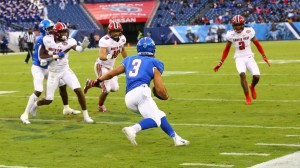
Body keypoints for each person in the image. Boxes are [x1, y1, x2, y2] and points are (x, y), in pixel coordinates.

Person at [95, 37, 190, 146]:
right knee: (156, 120)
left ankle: (176, 138)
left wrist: (99, 79)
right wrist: (165, 96)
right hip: (141, 93)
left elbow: (112, 73)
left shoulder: (129, 59)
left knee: (159, 114)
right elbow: (159, 88)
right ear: (153, 49)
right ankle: (132, 129)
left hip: (129, 98)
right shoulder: (155, 62)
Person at [29, 22, 93, 123]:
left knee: (78, 90)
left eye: (65, 31)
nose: (64, 34)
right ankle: (35, 105)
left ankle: (86, 116)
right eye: (62, 32)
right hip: (53, 72)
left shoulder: (70, 41)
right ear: (56, 33)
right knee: (48, 100)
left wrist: (83, 47)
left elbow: (78, 49)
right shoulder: (47, 40)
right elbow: (41, 56)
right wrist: (55, 56)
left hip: (65, 70)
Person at [20, 19, 81, 125]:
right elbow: (41, 57)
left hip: (49, 67)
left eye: (52, 28)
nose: (51, 30)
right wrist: (55, 56)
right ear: (43, 29)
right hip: (39, 67)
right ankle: (25, 114)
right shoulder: (42, 39)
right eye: (49, 28)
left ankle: (66, 108)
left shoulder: (53, 38)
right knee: (38, 90)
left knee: (62, 84)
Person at [213, 15, 271, 105]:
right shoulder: (230, 34)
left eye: (239, 24)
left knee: (256, 77)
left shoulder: (249, 31)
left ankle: (252, 86)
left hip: (249, 56)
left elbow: (257, 44)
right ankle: (247, 97)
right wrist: (221, 62)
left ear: (243, 24)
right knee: (242, 74)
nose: (237, 27)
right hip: (239, 58)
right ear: (233, 26)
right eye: (235, 25)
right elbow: (227, 49)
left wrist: (264, 56)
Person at [83, 21, 127, 112]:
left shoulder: (122, 38)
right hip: (101, 65)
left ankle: (91, 83)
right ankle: (101, 106)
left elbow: (122, 49)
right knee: (106, 89)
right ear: (109, 31)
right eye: (114, 31)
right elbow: (101, 56)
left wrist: (127, 60)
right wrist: (107, 57)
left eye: (117, 31)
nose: (116, 33)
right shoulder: (105, 40)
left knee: (115, 88)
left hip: (110, 67)